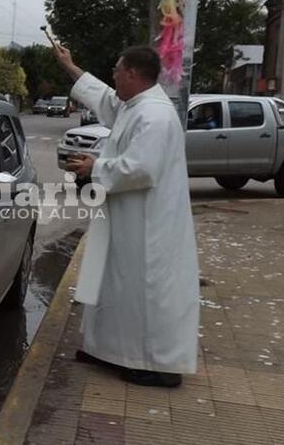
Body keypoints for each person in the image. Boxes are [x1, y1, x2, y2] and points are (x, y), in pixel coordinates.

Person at [51, 43, 200, 388]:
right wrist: (69, 66)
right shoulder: (136, 105)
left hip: (148, 225)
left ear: (133, 74)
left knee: (143, 291)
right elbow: (104, 98)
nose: (113, 75)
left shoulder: (155, 116)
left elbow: (142, 168)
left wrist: (95, 166)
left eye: (117, 70)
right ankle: (108, 350)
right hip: (127, 218)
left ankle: (157, 364)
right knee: (113, 285)